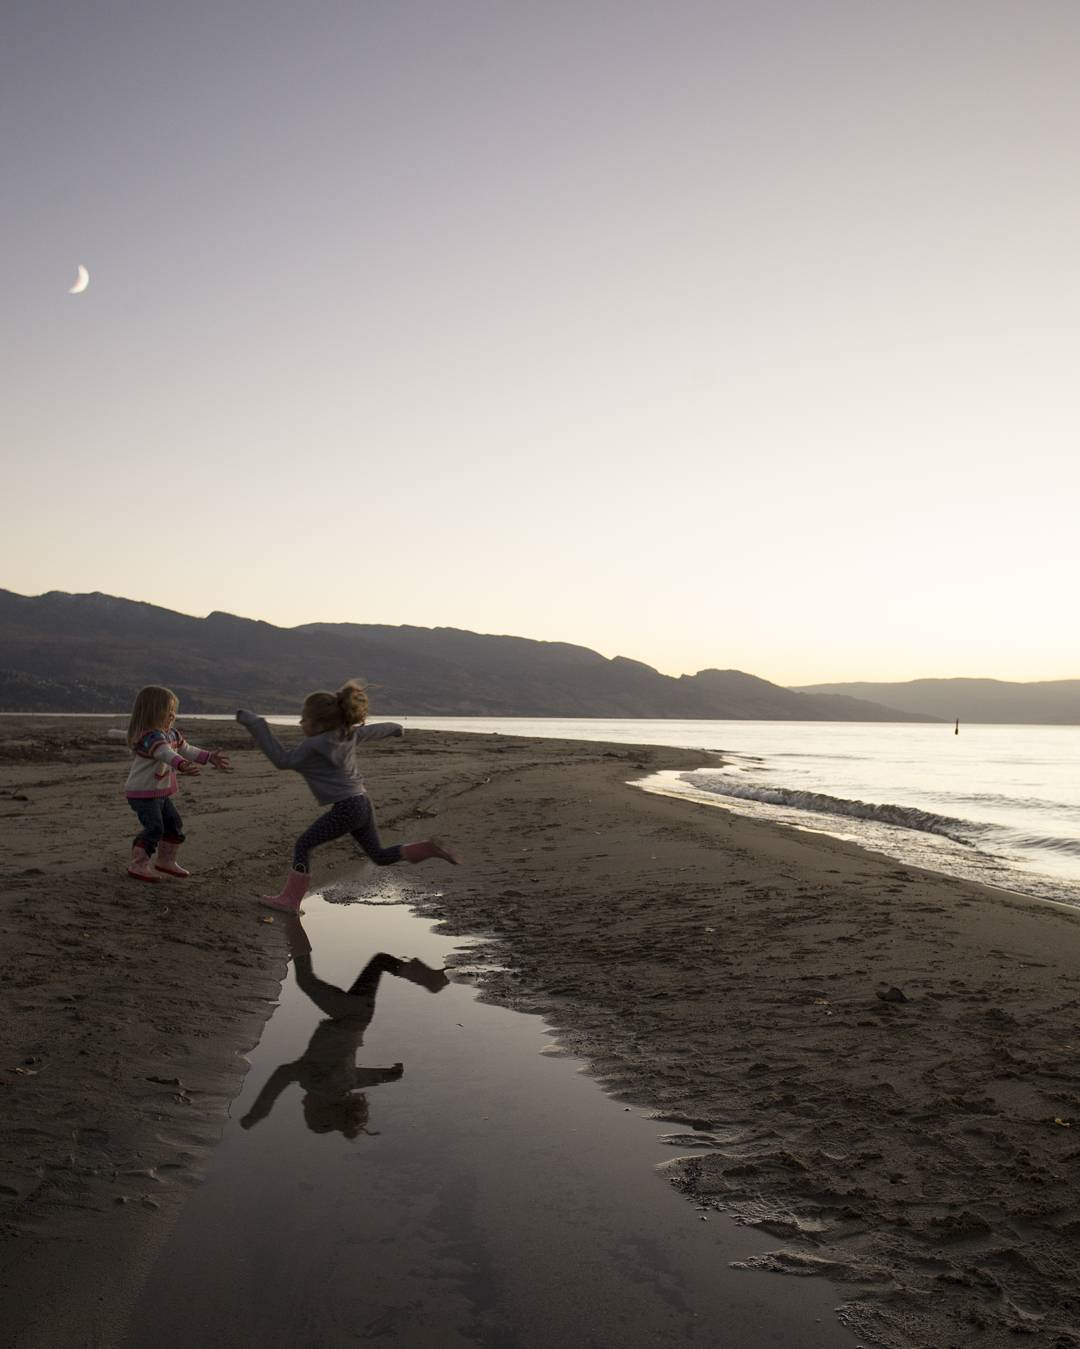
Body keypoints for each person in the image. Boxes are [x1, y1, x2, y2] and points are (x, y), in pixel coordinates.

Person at [236, 679, 460, 912]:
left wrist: (257, 724)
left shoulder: (311, 745)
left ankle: (290, 900)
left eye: (304, 718)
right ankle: (426, 848)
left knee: (303, 845)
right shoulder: (348, 734)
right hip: (362, 802)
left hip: (346, 809)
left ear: (319, 723)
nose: (301, 722)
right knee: (379, 855)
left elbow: (282, 761)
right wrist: (396, 728)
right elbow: (374, 730)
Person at [240, 912, 448, 1138]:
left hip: (359, 1015)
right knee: (306, 980)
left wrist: (390, 1075)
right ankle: (291, 919)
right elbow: (280, 1076)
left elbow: (366, 1078)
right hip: (347, 1015)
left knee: (379, 962)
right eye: (306, 1109)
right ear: (320, 1107)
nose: (302, 1104)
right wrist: (258, 1112)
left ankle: (430, 979)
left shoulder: (343, 1085)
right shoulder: (316, 1082)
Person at [124, 684, 231, 882]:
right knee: (155, 827)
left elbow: (187, 749)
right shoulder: (149, 737)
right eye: (168, 710)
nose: (172, 714)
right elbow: (165, 753)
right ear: (153, 711)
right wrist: (181, 765)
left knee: (173, 824)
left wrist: (208, 757)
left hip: (160, 792)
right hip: (142, 792)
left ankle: (165, 860)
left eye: (174, 710)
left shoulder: (172, 733)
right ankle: (138, 864)